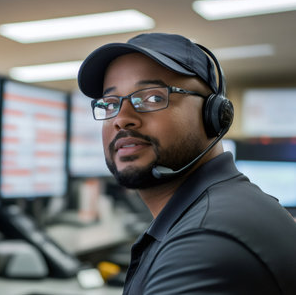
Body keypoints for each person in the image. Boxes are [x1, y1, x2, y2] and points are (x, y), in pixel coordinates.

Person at [77, 32, 296, 295]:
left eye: (153, 98)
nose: (121, 119)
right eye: (110, 103)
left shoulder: (207, 240)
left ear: (215, 115)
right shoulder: (219, 210)